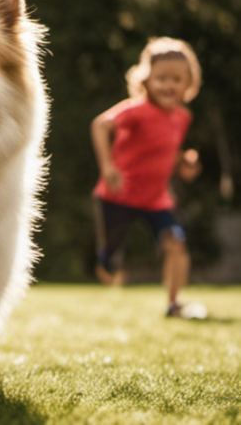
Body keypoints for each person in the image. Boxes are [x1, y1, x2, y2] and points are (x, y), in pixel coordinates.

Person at [91, 37, 205, 319]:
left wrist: (183, 162)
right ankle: (106, 263)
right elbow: (100, 125)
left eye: (177, 79)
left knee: (176, 243)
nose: (169, 85)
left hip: (156, 199)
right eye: (161, 78)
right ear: (146, 79)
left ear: (188, 83)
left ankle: (174, 305)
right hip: (118, 195)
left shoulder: (182, 117)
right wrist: (107, 167)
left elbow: (166, 149)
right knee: (110, 262)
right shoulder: (136, 110)